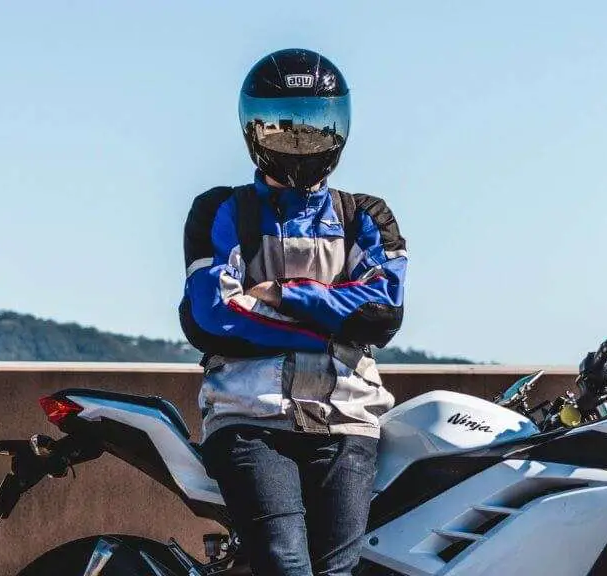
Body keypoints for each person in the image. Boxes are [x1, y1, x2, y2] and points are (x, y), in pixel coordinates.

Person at [179, 48, 407, 576]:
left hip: (346, 419)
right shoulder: (221, 209)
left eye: (315, 125)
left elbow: (384, 312)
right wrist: (331, 326)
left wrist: (281, 294)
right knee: (285, 565)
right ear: (255, 129)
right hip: (248, 415)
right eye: (286, 126)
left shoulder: (366, 216)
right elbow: (213, 315)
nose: (300, 140)